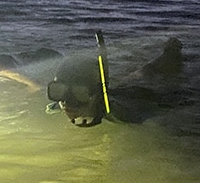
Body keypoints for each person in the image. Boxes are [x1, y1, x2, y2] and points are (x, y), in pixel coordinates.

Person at [47, 35, 184, 127]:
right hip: (112, 92)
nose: (66, 101)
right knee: (135, 77)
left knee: (148, 74)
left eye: (79, 93)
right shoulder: (63, 103)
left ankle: (171, 54)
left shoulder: (122, 116)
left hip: (139, 97)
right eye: (58, 91)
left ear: (96, 94)